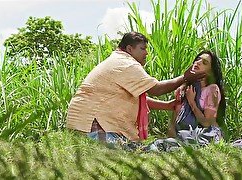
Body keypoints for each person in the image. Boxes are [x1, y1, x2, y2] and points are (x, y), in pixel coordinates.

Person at [66, 31, 205, 143]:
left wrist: (168, 105)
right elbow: (156, 89)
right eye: (142, 49)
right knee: (138, 153)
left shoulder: (117, 60)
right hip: (93, 128)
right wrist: (185, 77)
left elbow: (137, 98)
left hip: (80, 124)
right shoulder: (126, 64)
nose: (146, 53)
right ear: (129, 49)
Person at [167, 50, 226, 142]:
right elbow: (173, 123)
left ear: (210, 72)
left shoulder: (212, 90)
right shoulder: (184, 89)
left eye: (204, 63)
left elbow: (207, 124)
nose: (198, 62)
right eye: (198, 59)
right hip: (183, 135)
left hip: (206, 134)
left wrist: (192, 102)